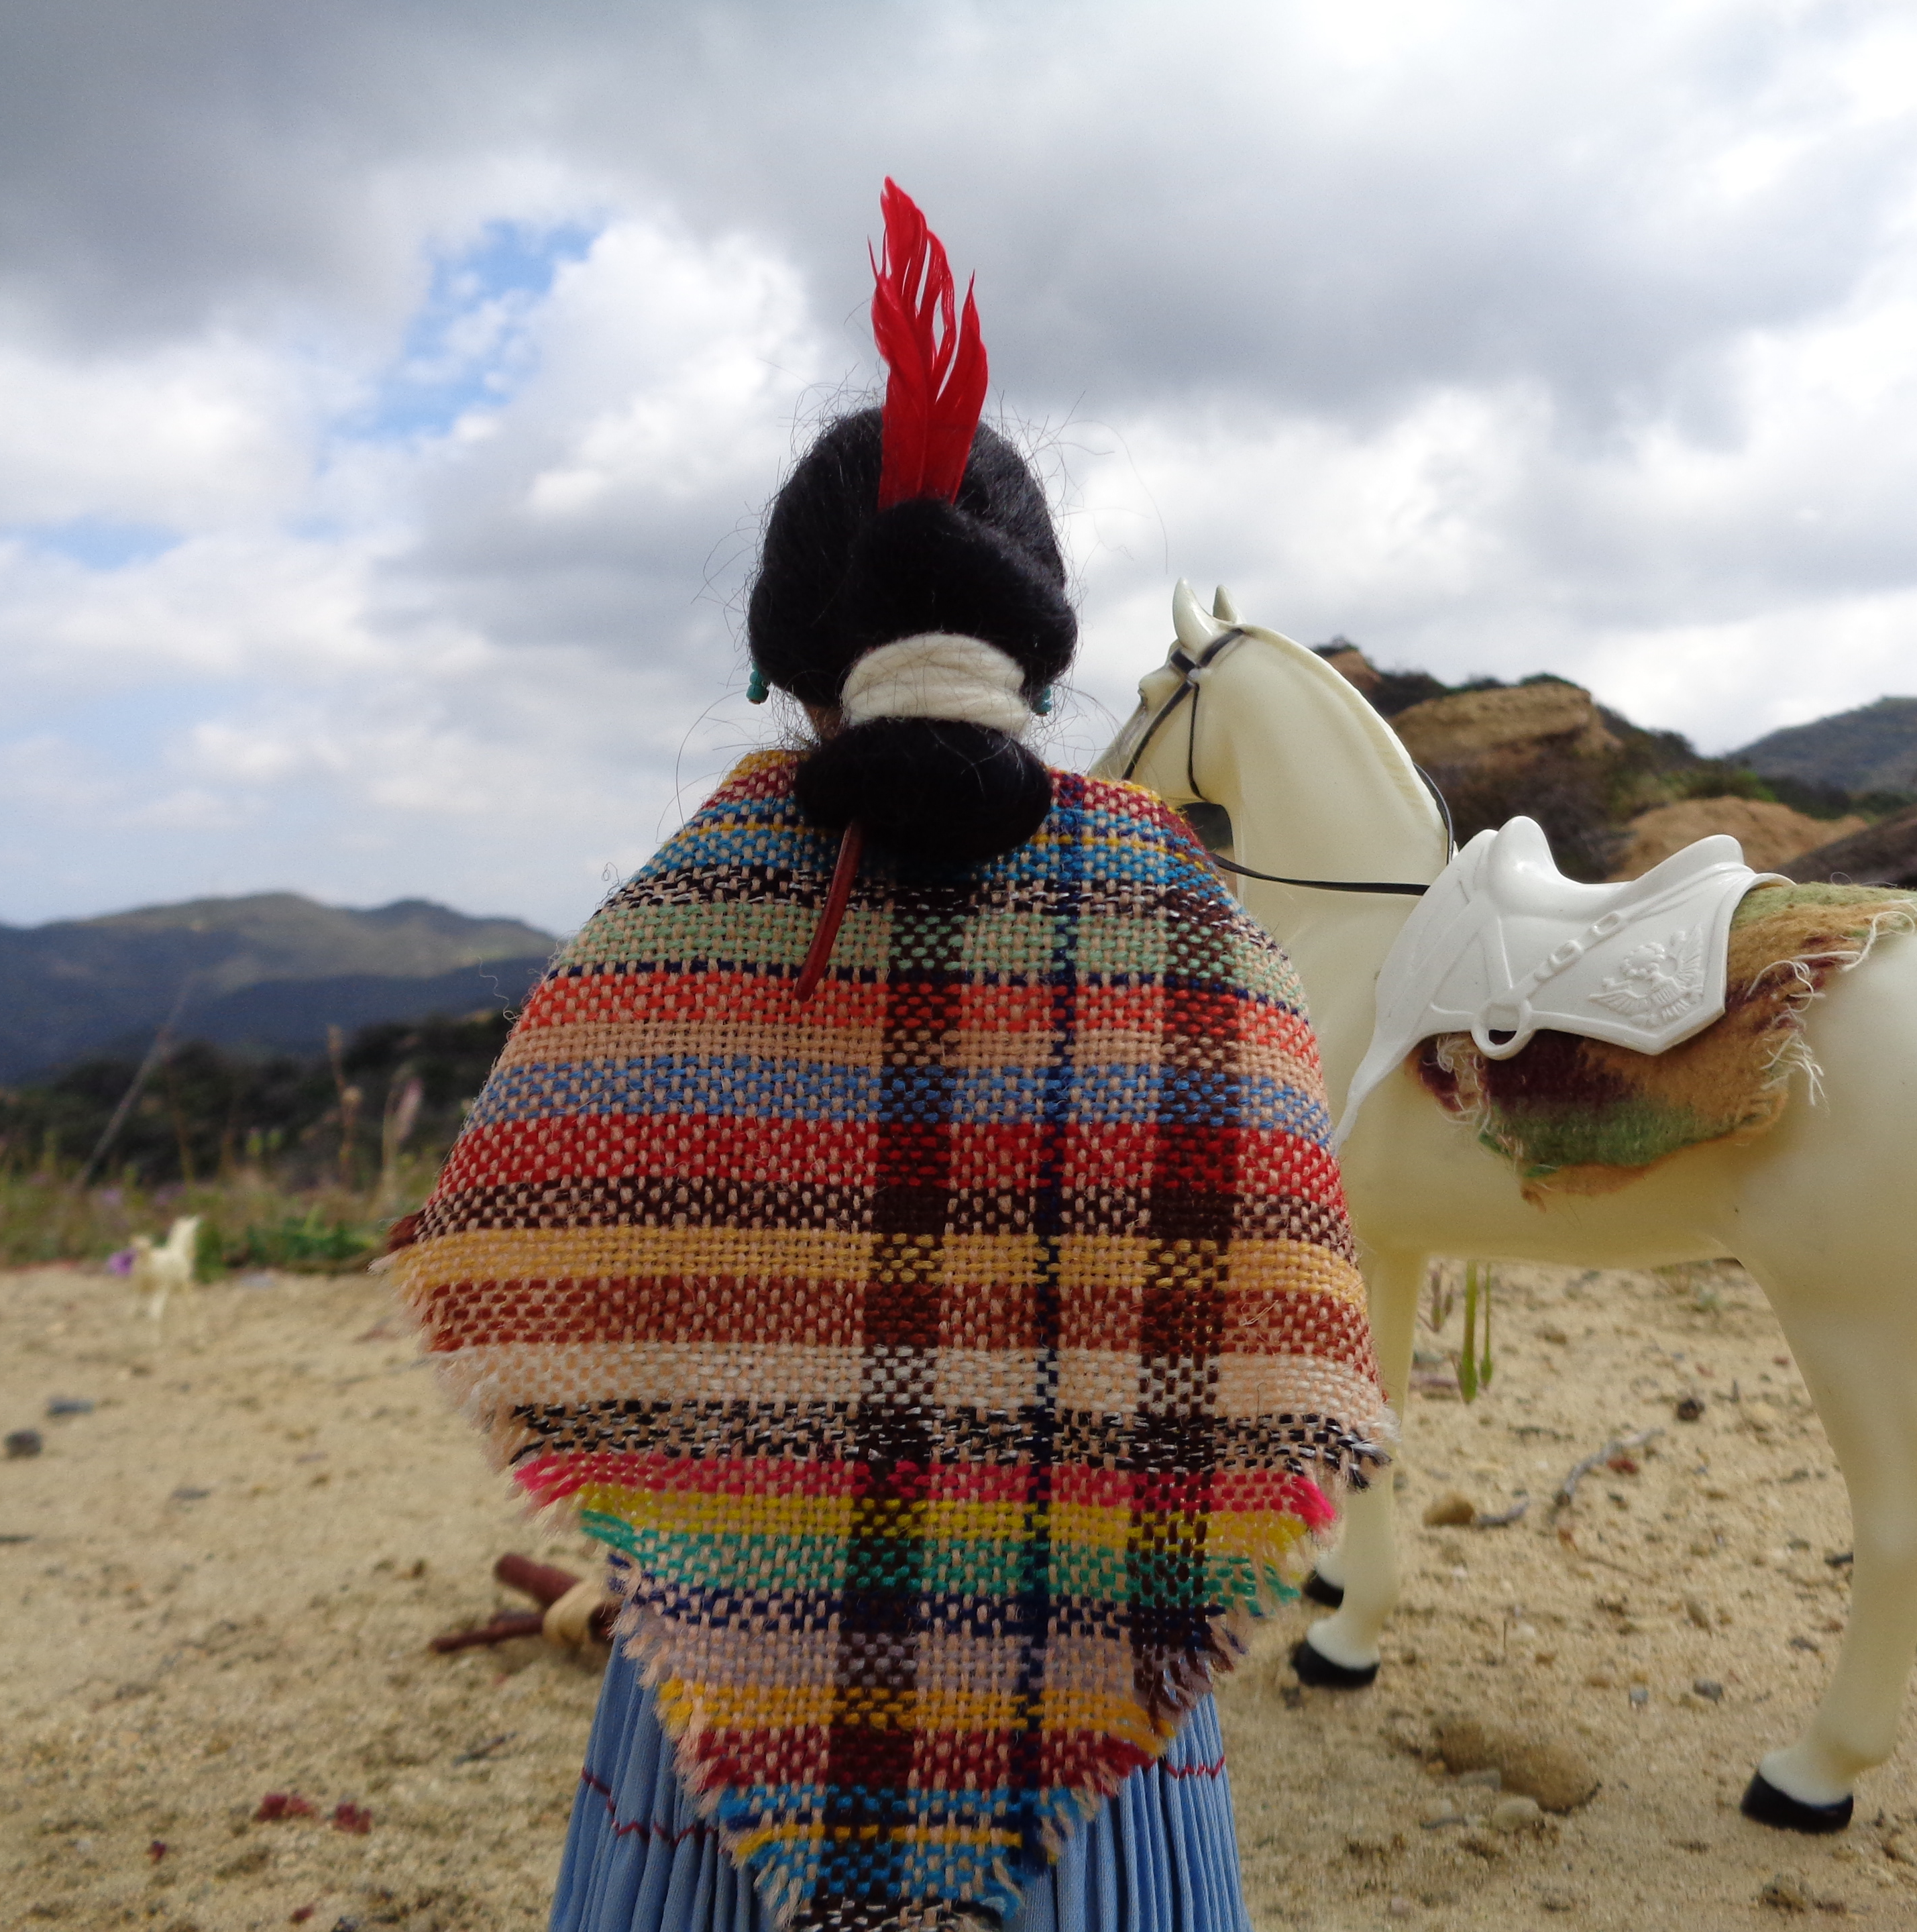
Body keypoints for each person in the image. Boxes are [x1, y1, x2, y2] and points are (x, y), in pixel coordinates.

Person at [393, 184, 1386, 1932]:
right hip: (1103, 1708)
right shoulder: (1187, 924)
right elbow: (1286, 1307)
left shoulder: (672, 919)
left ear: (789, 654)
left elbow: (530, 1249)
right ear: (1041, 643)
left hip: (728, 1682)